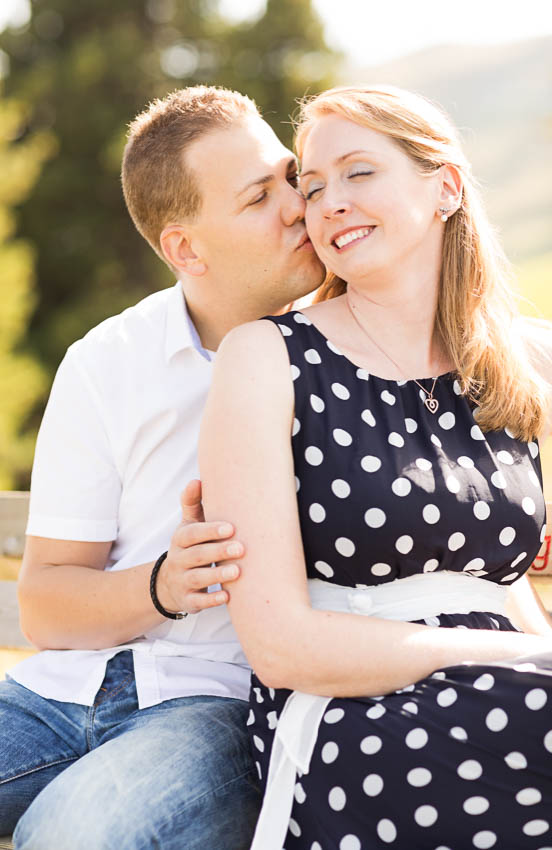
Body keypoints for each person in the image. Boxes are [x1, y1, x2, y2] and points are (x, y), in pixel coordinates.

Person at [198, 85, 552, 850]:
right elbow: (279, 644)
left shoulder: (517, 362)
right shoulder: (268, 358)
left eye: (358, 173)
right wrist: (517, 654)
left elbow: (498, 588)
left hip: (520, 684)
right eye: (312, 186)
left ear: (447, 188)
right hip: (357, 716)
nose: (327, 203)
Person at [1, 86, 325, 849]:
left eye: (288, 176)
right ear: (186, 249)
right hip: (54, 697)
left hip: (212, 706)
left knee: (72, 836)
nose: (295, 205)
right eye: (257, 197)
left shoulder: (351, 345)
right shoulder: (108, 361)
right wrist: (163, 586)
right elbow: (46, 602)